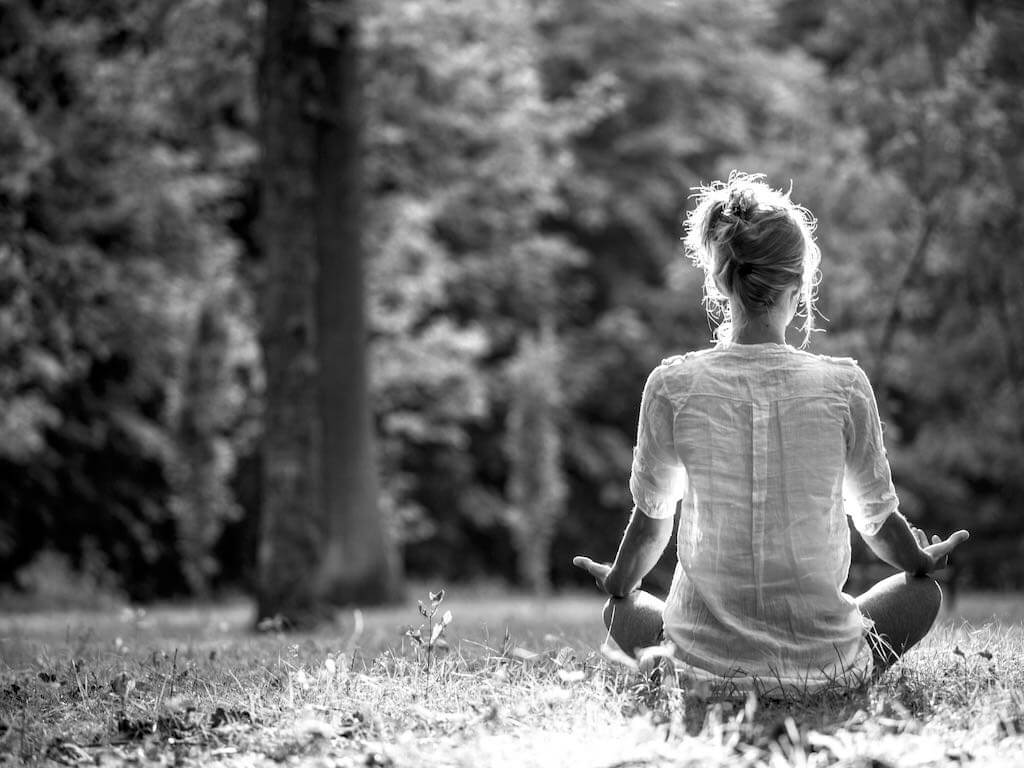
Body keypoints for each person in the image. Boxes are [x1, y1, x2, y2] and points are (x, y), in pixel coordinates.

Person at [573, 172, 969, 696]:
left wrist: (619, 581)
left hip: (698, 669)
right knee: (922, 596)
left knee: (621, 610)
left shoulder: (672, 385)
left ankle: (698, 659)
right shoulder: (844, 386)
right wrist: (920, 559)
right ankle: (830, 671)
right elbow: (876, 522)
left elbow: (652, 525)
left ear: (718, 281)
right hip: (823, 666)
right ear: (799, 285)